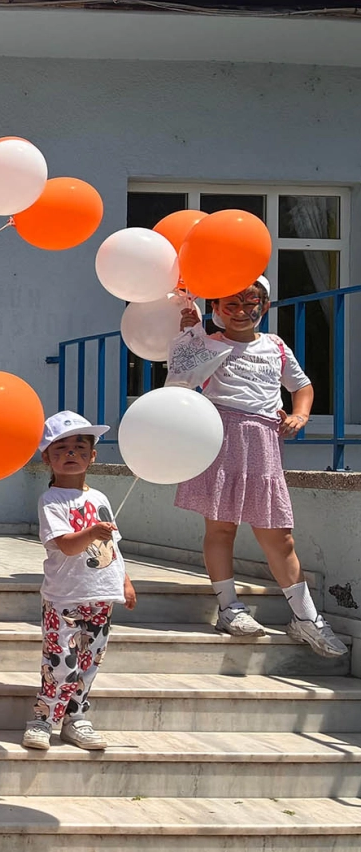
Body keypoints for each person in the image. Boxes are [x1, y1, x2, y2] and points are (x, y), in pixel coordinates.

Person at [174, 281, 345, 656]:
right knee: (221, 527)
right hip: (220, 438)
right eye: (230, 302)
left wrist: (300, 415)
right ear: (216, 306)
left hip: (264, 444)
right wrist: (189, 332)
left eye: (251, 302)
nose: (241, 310)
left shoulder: (276, 346)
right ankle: (228, 606)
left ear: (264, 307)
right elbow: (180, 380)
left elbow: (302, 386)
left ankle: (306, 618)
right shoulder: (207, 342)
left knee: (279, 535)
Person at [27, 413, 139, 751]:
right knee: (60, 661)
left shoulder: (100, 499)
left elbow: (111, 545)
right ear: (47, 457)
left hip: (100, 595)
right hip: (64, 598)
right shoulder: (51, 501)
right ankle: (44, 719)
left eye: (80, 447)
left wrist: (125, 579)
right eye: (61, 448)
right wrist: (90, 532)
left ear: (92, 456)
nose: (71, 453)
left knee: (89, 661)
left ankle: (76, 718)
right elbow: (66, 544)